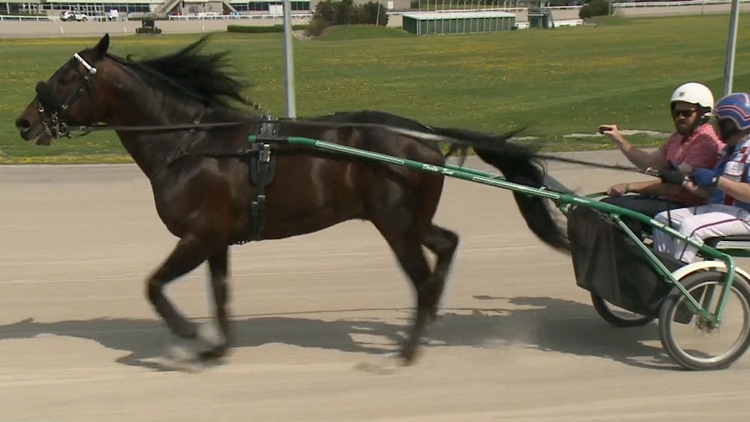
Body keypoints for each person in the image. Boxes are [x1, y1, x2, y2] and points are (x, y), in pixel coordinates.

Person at [597, 82, 724, 235]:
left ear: (703, 114)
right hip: (667, 200)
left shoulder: (705, 141)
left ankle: (634, 257)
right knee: (605, 206)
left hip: (686, 206)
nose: (680, 118)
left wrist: (629, 187)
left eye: (687, 113)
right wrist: (619, 139)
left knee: (623, 213)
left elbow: (676, 184)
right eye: (676, 113)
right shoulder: (678, 137)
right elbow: (649, 163)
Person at [652, 92, 750, 263]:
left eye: (719, 121)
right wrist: (682, 179)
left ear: (730, 124)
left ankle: (679, 280)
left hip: (744, 217)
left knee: (690, 227)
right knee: (662, 220)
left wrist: (716, 180)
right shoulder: (729, 150)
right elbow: (709, 194)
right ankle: (663, 272)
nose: (715, 126)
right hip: (721, 210)